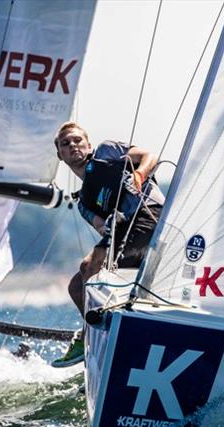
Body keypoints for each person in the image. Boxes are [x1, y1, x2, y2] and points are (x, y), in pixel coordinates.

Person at [52, 122, 165, 367]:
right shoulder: (83, 202)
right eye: (65, 144)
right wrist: (105, 227)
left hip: (150, 214)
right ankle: (96, 340)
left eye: (77, 140)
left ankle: (90, 335)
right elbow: (102, 226)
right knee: (77, 286)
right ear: (60, 155)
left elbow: (149, 156)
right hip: (123, 228)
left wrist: (138, 175)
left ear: (88, 145)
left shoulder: (106, 151)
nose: (73, 145)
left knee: (90, 266)